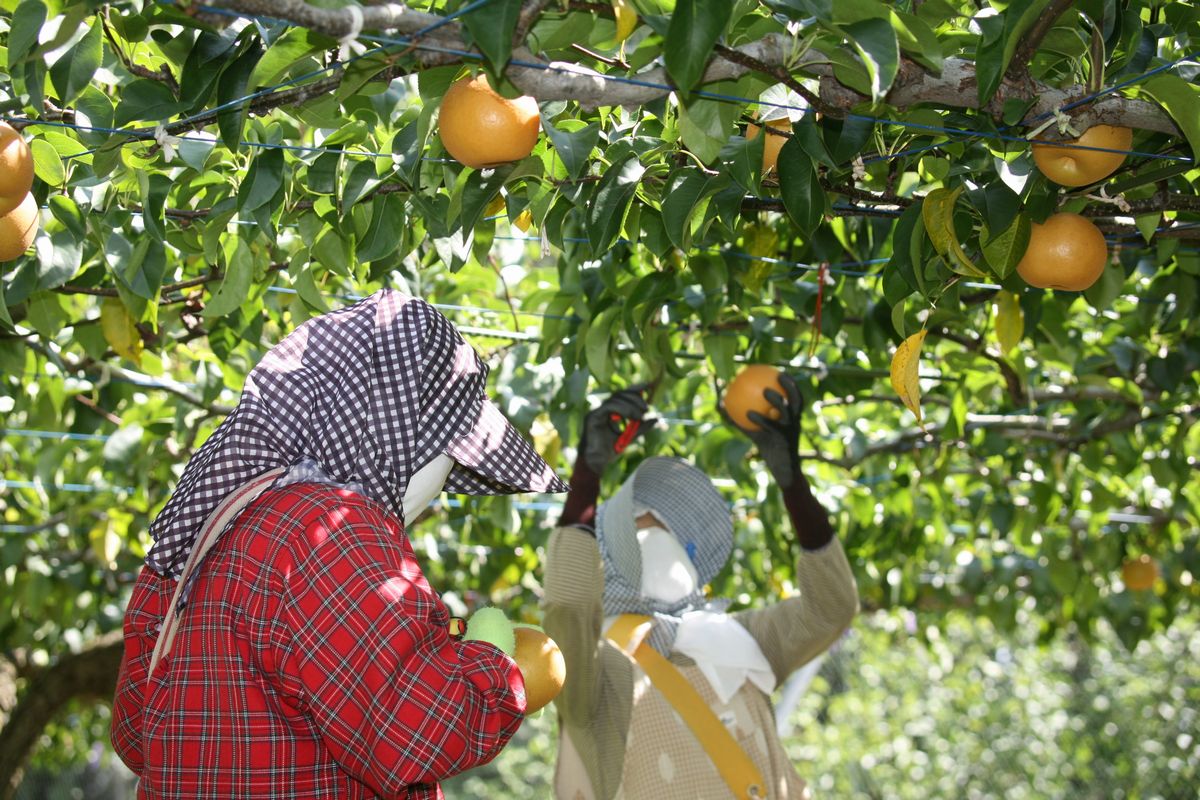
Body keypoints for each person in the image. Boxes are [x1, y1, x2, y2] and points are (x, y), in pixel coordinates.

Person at [111, 289, 568, 799]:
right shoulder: (333, 527)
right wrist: (497, 666)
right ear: (394, 434)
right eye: (447, 455)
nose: (444, 483)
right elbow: (415, 726)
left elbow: (135, 733)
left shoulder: (216, 525)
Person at [544, 379, 859, 799]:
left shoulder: (738, 639)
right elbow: (569, 603)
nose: (658, 537)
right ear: (603, 556)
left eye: (671, 530)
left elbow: (832, 607)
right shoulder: (597, 667)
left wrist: (793, 483)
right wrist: (587, 474)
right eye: (638, 526)